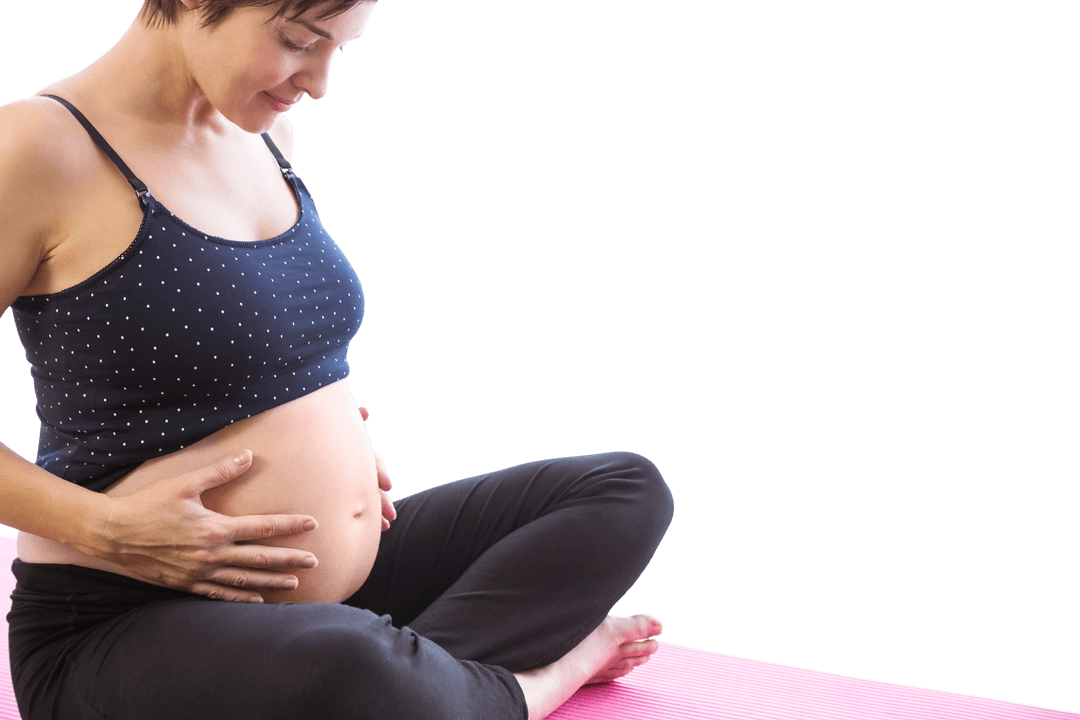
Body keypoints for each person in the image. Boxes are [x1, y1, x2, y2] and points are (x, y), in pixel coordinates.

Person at [0, 1, 675, 717]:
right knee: (352, 662)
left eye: (338, 51)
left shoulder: (266, 135)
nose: (317, 82)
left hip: (326, 592)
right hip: (122, 617)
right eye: (298, 42)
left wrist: (326, 444)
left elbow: (241, 347)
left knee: (624, 491)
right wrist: (108, 528)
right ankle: (534, 684)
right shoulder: (36, 148)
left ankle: (422, 690)